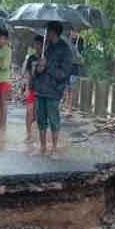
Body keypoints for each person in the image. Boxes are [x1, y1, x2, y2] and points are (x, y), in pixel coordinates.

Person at [32, 22, 75, 155]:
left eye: (48, 31)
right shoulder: (46, 47)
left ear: (54, 32)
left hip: (54, 91)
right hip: (41, 89)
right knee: (41, 119)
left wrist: (48, 66)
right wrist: (39, 69)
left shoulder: (65, 50)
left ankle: (54, 147)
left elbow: (64, 74)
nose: (46, 34)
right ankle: (43, 147)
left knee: (53, 119)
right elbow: (40, 68)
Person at [22, 35, 44, 142]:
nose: (37, 46)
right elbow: (27, 73)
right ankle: (29, 134)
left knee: (37, 113)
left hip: (42, 90)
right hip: (31, 87)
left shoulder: (45, 58)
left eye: (39, 44)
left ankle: (37, 134)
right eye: (35, 44)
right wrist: (26, 88)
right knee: (29, 111)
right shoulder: (31, 58)